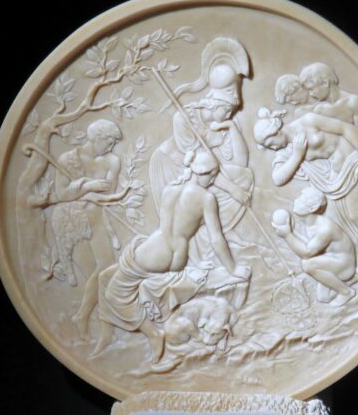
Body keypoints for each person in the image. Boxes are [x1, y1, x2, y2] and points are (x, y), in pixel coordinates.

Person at [94, 151, 251, 364]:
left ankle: (154, 334)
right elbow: (216, 238)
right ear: (204, 173)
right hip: (171, 255)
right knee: (105, 278)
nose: (214, 180)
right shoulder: (206, 198)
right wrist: (232, 268)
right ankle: (107, 335)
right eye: (213, 175)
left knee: (114, 294)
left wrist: (230, 270)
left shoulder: (171, 189)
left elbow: (171, 228)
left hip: (155, 252)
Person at [255, 107, 358, 269]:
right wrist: (297, 155)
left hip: (355, 166)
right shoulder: (289, 151)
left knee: (356, 215)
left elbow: (347, 129)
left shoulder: (308, 121)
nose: (273, 148)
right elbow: (278, 178)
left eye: (270, 144)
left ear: (276, 131)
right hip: (335, 184)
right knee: (339, 222)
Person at [149, 38, 254, 264]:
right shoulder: (184, 119)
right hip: (175, 166)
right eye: (228, 110)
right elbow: (202, 168)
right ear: (212, 103)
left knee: (244, 176)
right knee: (188, 213)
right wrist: (234, 190)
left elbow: (241, 164)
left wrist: (231, 127)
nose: (230, 114)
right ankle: (198, 253)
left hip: (208, 171)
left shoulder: (225, 122)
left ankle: (220, 236)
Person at [51, 119, 130, 338]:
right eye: (110, 141)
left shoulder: (112, 161)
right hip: (73, 221)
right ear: (97, 138)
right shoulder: (67, 160)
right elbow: (61, 195)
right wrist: (87, 185)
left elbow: (108, 193)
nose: (112, 147)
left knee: (106, 268)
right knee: (90, 274)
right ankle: (92, 322)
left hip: (98, 219)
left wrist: (88, 192)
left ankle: (85, 317)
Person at [272, 187, 357, 306]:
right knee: (323, 298)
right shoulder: (310, 224)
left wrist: (287, 235)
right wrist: (290, 231)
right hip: (331, 261)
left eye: (301, 200)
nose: (296, 200)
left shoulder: (325, 229)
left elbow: (307, 253)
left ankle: (346, 292)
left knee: (307, 264)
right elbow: (308, 245)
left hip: (343, 265)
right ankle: (351, 281)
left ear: (313, 208)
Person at [298, 62, 358, 140]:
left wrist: (341, 129)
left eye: (311, 89)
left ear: (325, 83)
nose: (311, 94)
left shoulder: (352, 101)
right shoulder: (318, 108)